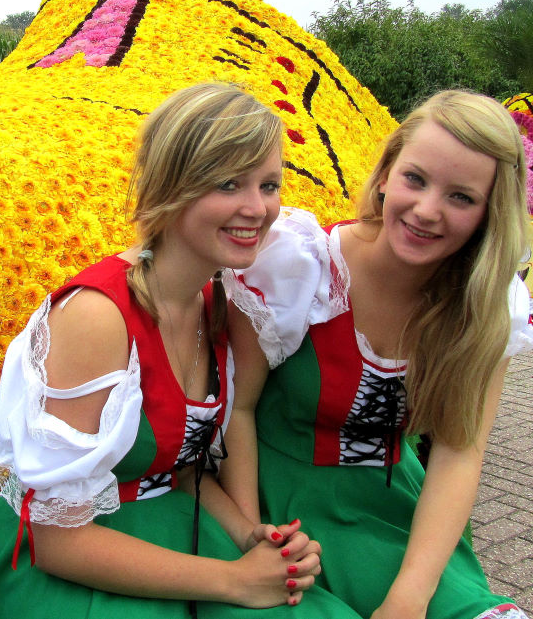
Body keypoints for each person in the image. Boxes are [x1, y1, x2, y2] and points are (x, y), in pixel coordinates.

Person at [0, 83, 341, 618]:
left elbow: (177, 466)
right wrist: (234, 581)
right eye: (228, 183)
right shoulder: (96, 316)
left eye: (269, 184)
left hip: (176, 523)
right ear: (172, 187)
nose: (258, 207)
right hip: (83, 556)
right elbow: (55, 539)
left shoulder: (216, 298)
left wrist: (249, 535)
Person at [222, 89, 533, 619]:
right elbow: (240, 410)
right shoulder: (300, 269)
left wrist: (411, 596)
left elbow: (460, 452)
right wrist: (254, 537)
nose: (427, 211)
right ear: (387, 173)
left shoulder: (489, 303)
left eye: (461, 197)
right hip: (278, 504)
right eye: (416, 179)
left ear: (489, 211)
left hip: (397, 515)